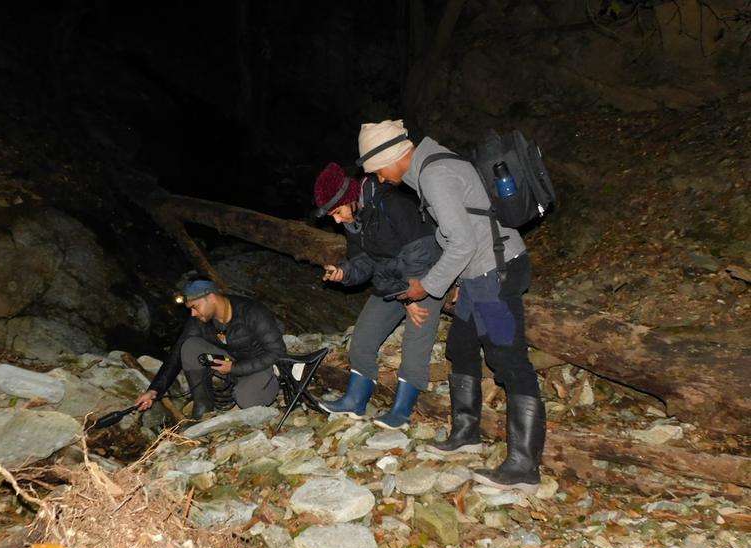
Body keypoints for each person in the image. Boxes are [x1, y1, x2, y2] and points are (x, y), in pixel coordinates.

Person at [354, 119, 545, 493]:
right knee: (460, 347)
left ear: (392, 157)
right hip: (478, 277)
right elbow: (468, 229)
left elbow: (461, 242)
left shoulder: (434, 176)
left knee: (509, 360)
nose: (378, 179)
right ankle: (465, 433)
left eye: (376, 171)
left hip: (494, 274)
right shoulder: (434, 165)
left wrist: (427, 286)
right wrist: (458, 282)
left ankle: (524, 466)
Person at [313, 162, 443, 431]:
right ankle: (355, 400)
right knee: (362, 338)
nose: (336, 220)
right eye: (332, 216)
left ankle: (402, 411)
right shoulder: (356, 221)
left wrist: (412, 297)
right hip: (393, 283)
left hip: (428, 275)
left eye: (337, 212)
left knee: (415, 340)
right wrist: (343, 272)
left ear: (350, 200)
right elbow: (365, 263)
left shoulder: (390, 203)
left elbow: (421, 251)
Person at [134, 278, 286, 419]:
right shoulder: (199, 320)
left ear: (212, 298)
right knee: (189, 346)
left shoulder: (251, 311)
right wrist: (155, 390)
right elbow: (177, 354)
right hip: (231, 359)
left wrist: (235, 368)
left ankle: (270, 384)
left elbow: (277, 352)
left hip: (261, 364)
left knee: (246, 400)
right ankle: (203, 405)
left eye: (195, 307)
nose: (192, 314)